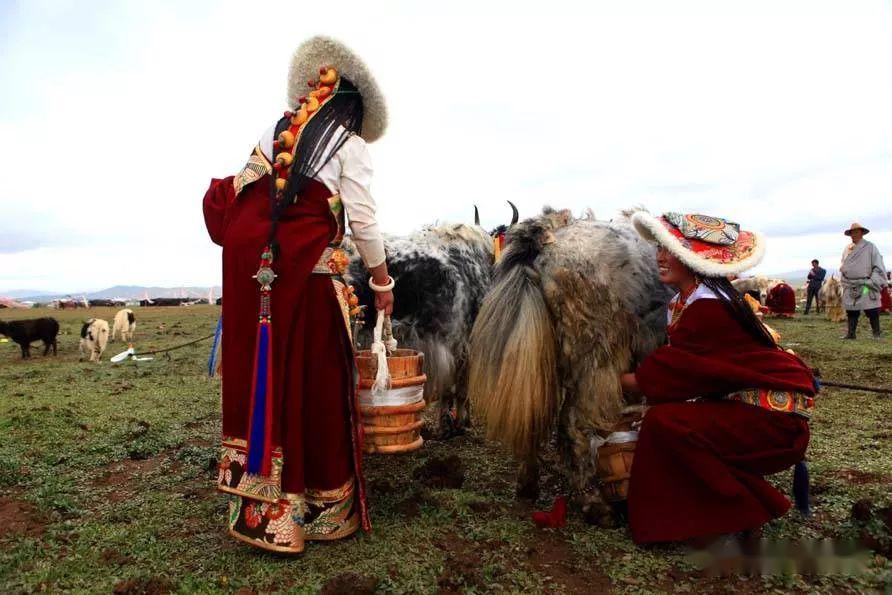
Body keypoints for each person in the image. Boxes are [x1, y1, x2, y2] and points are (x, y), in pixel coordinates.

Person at [202, 36, 393, 554]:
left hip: (256, 273)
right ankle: (321, 509)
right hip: (308, 280)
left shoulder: (274, 130)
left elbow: (240, 199)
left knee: (270, 377)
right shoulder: (349, 146)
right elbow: (366, 222)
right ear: (352, 107)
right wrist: (381, 282)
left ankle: (266, 507)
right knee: (316, 383)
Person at [620, 212, 817, 546]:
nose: (660, 256)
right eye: (660, 248)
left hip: (773, 420)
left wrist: (597, 378)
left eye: (672, 250)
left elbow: (659, 376)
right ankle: (723, 509)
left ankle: (739, 511)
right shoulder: (692, 299)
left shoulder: (708, 307)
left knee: (665, 424)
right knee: (673, 421)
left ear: (696, 259)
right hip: (758, 410)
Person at [840, 223, 887, 339]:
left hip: (866, 284)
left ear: (861, 233)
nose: (853, 235)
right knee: (851, 310)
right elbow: (843, 265)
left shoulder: (870, 247)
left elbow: (878, 265)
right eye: (851, 233)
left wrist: (872, 280)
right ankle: (851, 334)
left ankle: (876, 333)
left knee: (871, 308)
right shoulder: (847, 248)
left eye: (856, 232)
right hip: (850, 284)